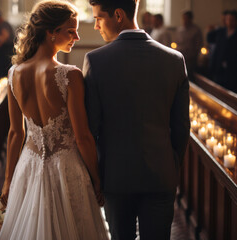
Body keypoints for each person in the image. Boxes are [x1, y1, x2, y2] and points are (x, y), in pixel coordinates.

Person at [0, 1, 108, 239]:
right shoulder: (69, 75)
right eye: (71, 31)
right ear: (51, 32)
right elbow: (83, 137)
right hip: (66, 168)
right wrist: (97, 178)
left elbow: (15, 133)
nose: (77, 37)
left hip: (28, 166)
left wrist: (8, 181)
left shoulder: (13, 73)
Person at [84, 0, 190, 239]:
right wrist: (171, 165)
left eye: (98, 18)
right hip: (161, 174)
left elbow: (91, 128)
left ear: (118, 15)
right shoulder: (174, 59)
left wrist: (97, 175)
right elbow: (182, 127)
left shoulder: (95, 61)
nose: (96, 26)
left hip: (115, 176)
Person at [207, 10, 237, 93]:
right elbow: (209, 39)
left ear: (236, 20)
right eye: (227, 19)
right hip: (219, 69)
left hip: (234, 70)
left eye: (231, 20)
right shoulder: (221, 31)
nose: (229, 22)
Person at [176, 10, 202, 81]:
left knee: (189, 78)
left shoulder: (196, 30)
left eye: (186, 18)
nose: (184, 20)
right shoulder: (180, 29)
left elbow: (198, 46)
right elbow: (177, 43)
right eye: (183, 18)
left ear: (190, 19)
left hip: (190, 60)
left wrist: (192, 56)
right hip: (180, 58)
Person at [0, 10, 14, 77]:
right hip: (4, 50)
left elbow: (4, 37)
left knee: (5, 69)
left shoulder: (4, 24)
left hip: (6, 50)